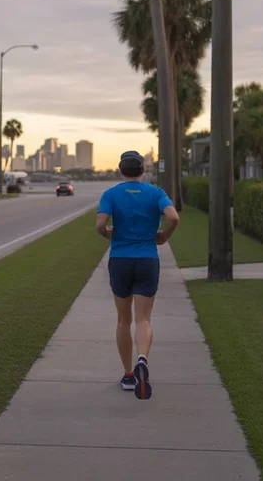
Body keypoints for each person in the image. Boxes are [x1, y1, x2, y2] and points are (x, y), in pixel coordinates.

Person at [95, 151, 180, 400]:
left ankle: (129, 374)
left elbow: (100, 225)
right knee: (143, 319)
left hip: (120, 260)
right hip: (147, 259)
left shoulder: (111, 194)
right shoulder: (155, 193)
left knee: (124, 319)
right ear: (143, 171)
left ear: (121, 171)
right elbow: (173, 217)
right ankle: (143, 358)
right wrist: (164, 235)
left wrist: (109, 234)